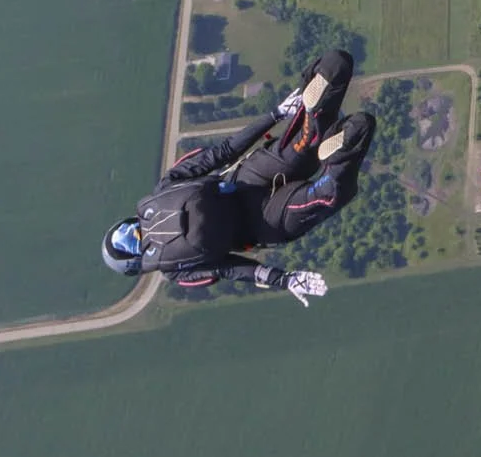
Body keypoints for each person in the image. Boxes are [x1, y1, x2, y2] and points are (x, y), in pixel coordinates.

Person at [100, 48, 370, 305]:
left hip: (264, 223)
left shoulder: (173, 269)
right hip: (248, 176)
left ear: (136, 265)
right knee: (308, 137)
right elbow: (222, 152)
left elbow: (231, 269)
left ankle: (338, 159)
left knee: (328, 195)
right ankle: (320, 93)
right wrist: (276, 114)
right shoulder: (161, 192)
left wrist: (284, 279)